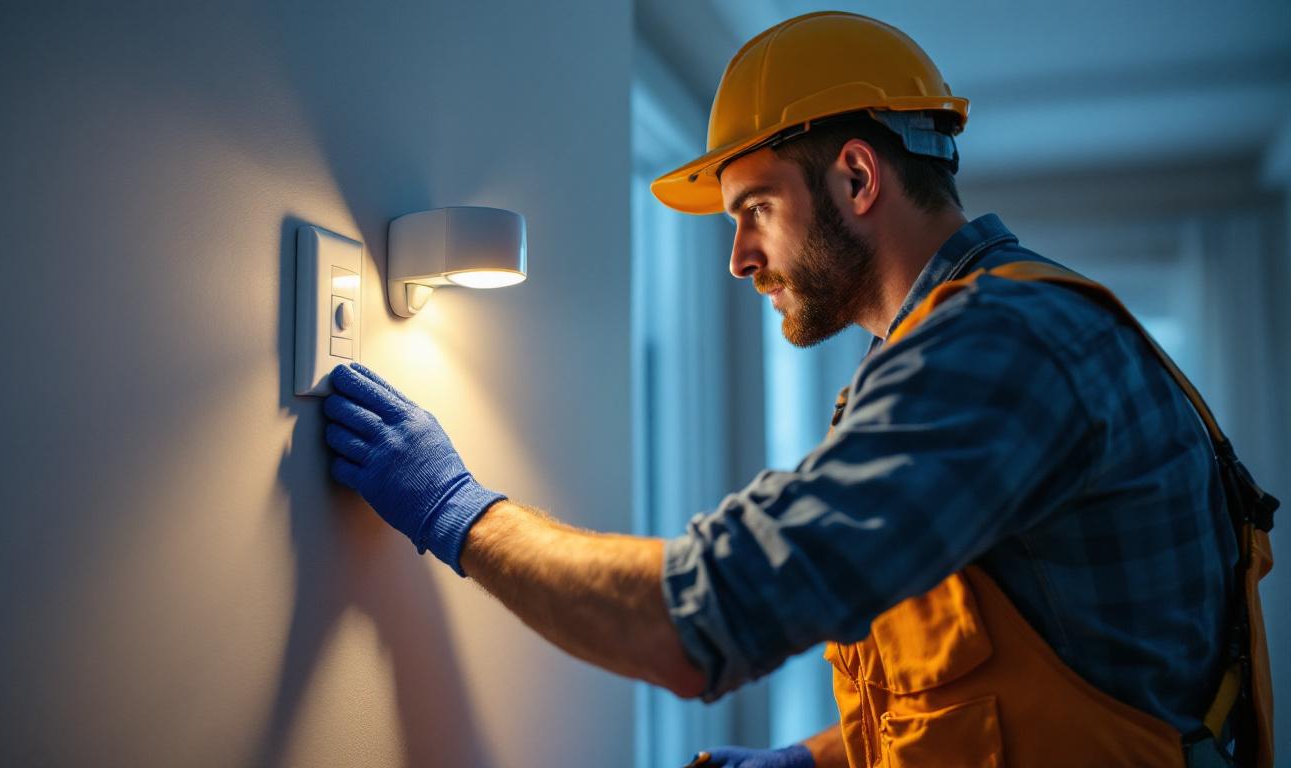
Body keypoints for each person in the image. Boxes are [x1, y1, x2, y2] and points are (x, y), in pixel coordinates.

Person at [321, 11, 1276, 768]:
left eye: (754, 210)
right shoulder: (981, 343)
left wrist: (456, 510)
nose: (738, 259)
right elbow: (1010, 686)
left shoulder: (997, 347)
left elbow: (697, 621)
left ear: (858, 175)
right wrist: (824, 758)